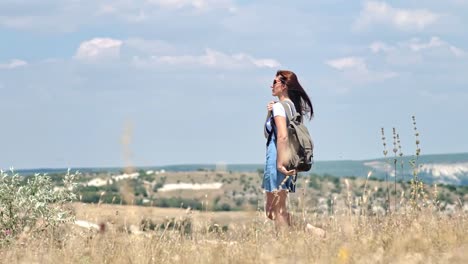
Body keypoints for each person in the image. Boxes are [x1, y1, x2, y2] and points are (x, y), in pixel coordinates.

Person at [262, 70, 314, 227]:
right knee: (275, 210)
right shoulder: (291, 107)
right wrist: (269, 113)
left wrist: (279, 164)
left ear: (284, 86)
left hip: (278, 158)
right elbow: (270, 132)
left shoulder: (280, 107)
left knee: (275, 211)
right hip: (286, 157)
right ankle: (293, 238)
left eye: (275, 81)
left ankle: (312, 232)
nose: (271, 85)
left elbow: (281, 136)